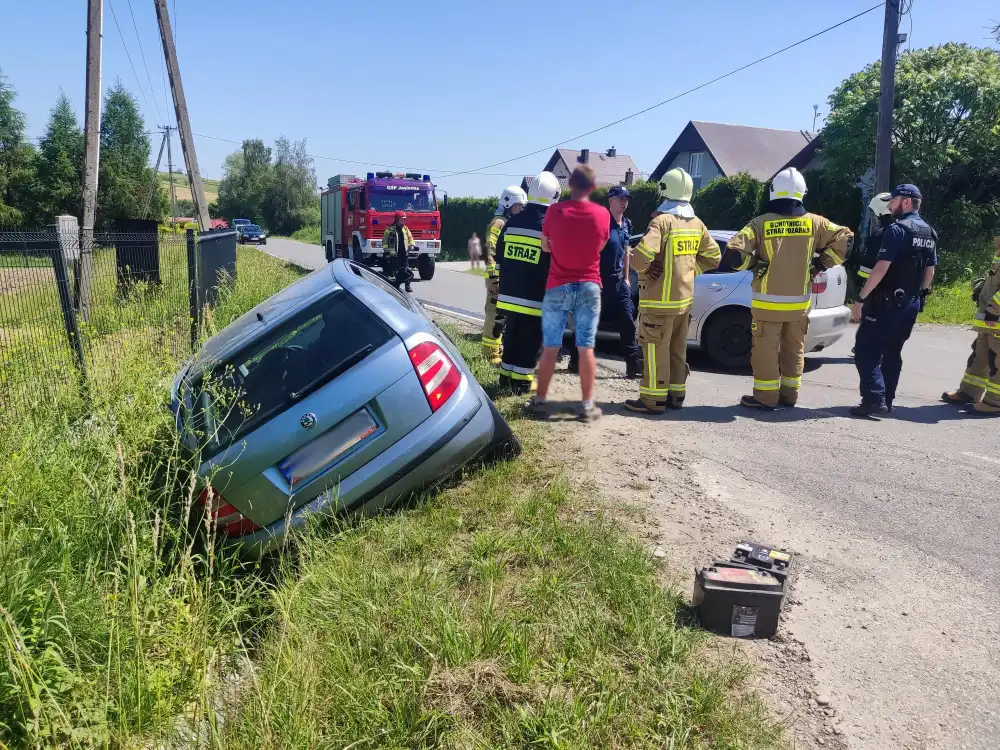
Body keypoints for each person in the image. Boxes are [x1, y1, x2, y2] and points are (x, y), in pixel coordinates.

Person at [728, 168, 854, 410]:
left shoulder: (759, 224)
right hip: (799, 306)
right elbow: (846, 240)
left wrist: (753, 264)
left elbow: (733, 254)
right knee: (794, 350)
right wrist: (821, 263)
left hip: (767, 305)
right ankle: (790, 395)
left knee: (765, 351)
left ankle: (765, 397)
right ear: (802, 192)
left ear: (774, 191)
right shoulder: (816, 223)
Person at [624, 168, 720, 414]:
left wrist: (646, 269)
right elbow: (714, 256)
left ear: (664, 191)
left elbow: (641, 258)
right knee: (677, 351)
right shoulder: (697, 224)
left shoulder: (661, 222)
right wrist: (689, 270)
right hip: (683, 303)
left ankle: (652, 400)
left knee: (655, 352)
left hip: (658, 303)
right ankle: (676, 396)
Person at [531, 165, 610, 422]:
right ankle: (587, 406)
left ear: (570, 186)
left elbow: (545, 247)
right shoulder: (602, 214)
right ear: (592, 187)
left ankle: (540, 401)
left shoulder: (554, 211)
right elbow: (601, 246)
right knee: (586, 347)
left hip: (558, 284)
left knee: (551, 346)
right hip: (589, 284)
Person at [850, 184, 937, 417]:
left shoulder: (897, 230)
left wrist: (861, 298)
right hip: (910, 303)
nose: (890, 205)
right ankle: (887, 400)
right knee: (892, 351)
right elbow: (929, 272)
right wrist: (919, 294)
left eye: (894, 200)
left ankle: (873, 399)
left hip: (886, 302)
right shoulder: (929, 232)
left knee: (866, 348)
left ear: (906, 202)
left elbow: (881, 268)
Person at [495, 171, 559, 393]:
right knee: (530, 341)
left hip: (509, 295)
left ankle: (505, 380)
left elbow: (499, 255)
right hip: (535, 297)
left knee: (512, 336)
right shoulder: (550, 227)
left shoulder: (512, 222)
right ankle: (521, 384)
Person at [568, 185, 640, 378]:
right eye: (621, 198)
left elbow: (626, 252)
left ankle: (633, 366)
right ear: (611, 200)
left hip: (618, 282)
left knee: (628, 322)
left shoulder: (626, 224)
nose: (624, 202)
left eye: (626, 199)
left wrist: (626, 278)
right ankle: (575, 361)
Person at [942, 236, 1000, 415]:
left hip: (996, 313)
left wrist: (995, 307)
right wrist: (983, 290)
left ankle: (995, 402)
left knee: (997, 358)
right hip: (990, 315)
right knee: (981, 353)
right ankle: (969, 392)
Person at [482, 186, 527, 363]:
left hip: (506, 277)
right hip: (497, 277)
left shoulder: (509, 222)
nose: (520, 209)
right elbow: (490, 251)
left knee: (502, 315)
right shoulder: (498, 223)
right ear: (508, 204)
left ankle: (497, 347)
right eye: (518, 206)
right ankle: (489, 352)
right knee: (493, 313)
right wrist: (494, 278)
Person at [382, 211, 415, 292]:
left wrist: (412, 245)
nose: (403, 220)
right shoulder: (390, 229)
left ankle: (407, 286)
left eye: (404, 219)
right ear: (397, 219)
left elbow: (411, 238)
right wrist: (387, 251)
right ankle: (396, 286)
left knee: (406, 270)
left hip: (404, 254)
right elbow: (384, 241)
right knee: (397, 271)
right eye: (402, 219)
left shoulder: (405, 229)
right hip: (394, 254)